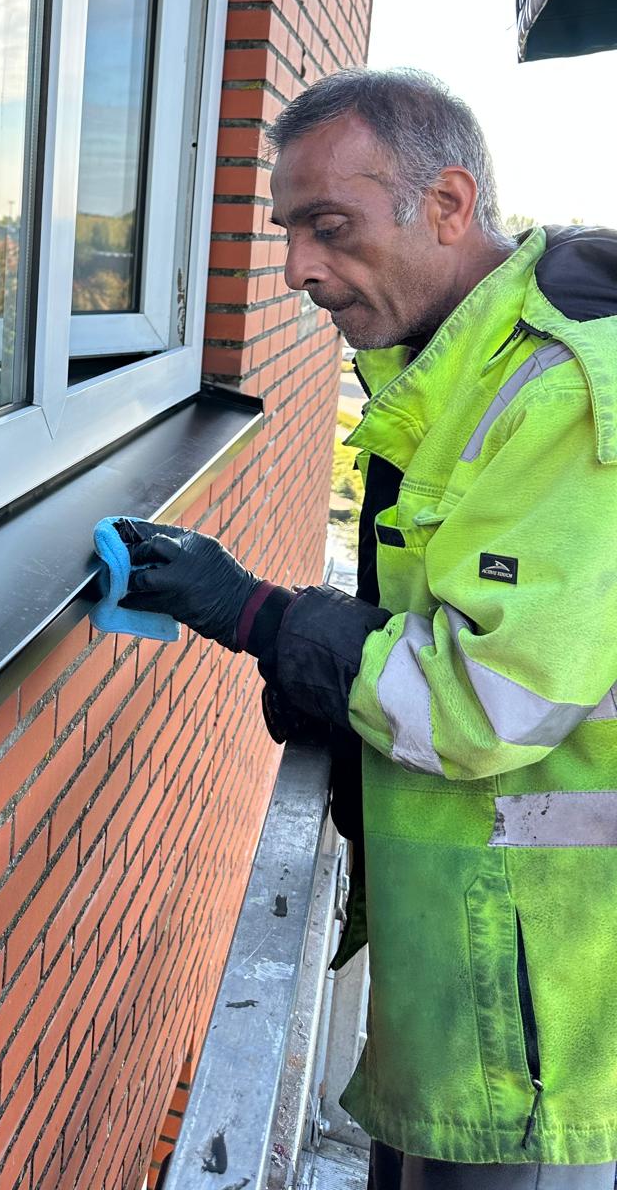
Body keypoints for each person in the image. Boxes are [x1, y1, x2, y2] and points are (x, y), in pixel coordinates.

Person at [116, 69, 617, 1188]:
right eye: (290, 231)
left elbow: (484, 699)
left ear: (445, 204)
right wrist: (334, 675)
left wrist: (263, 617)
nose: (296, 268)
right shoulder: (456, 366)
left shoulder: (562, 392)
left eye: (327, 227)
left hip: (550, 1012)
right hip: (479, 962)